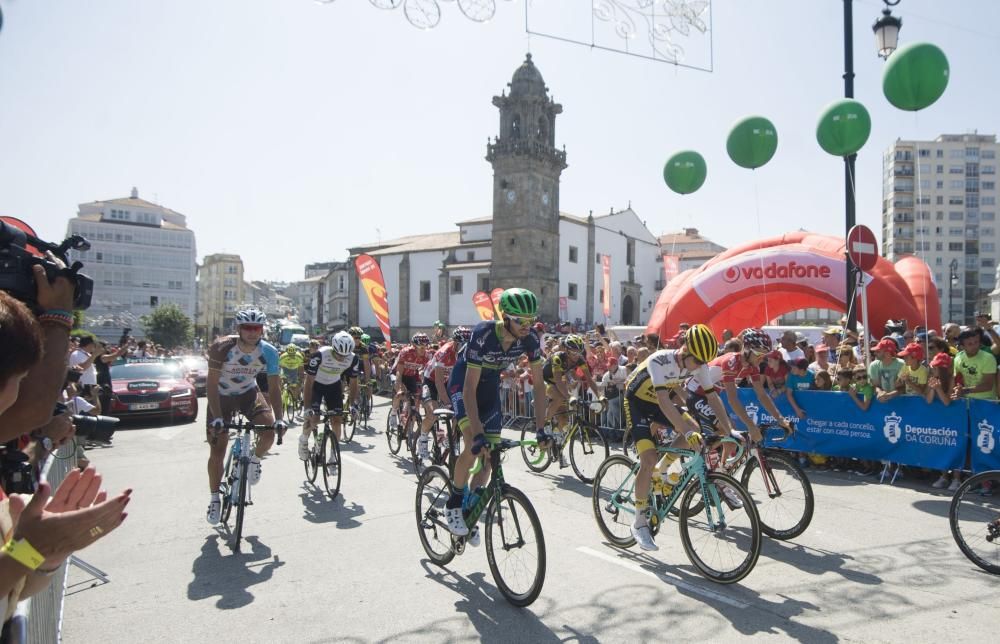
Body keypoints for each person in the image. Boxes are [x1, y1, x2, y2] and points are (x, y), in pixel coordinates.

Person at [445, 288, 547, 543]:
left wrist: (542, 429)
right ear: (505, 317)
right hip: (464, 382)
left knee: (491, 457)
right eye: (521, 321)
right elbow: (469, 387)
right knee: (473, 444)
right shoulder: (484, 333)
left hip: (489, 386)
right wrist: (477, 432)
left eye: (531, 320)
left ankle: (471, 506)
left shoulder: (530, 339)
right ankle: (454, 502)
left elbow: (539, 386)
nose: (527, 326)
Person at [622, 324, 736, 551]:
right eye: (698, 362)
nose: (701, 367)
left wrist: (729, 430)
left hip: (657, 402)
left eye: (705, 362)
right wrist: (686, 432)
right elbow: (665, 401)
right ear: (685, 352)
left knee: (694, 428)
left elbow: (713, 399)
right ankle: (639, 522)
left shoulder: (698, 362)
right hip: (637, 403)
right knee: (648, 458)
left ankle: (662, 470)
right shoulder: (660, 360)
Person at [204, 308, 285, 525]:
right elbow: (210, 385)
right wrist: (218, 417)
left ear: (262, 330)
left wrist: (279, 418)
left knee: (268, 433)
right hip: (220, 396)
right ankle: (214, 498)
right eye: (247, 328)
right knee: (218, 448)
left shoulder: (268, 351)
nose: (252, 332)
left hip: (248, 393)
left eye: (256, 328)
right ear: (239, 329)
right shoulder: (221, 347)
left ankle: (255, 461)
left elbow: (275, 389)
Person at [712, 328, 793, 444]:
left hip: (713, 396)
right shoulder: (731, 362)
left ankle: (716, 461)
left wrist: (780, 419)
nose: (762, 359)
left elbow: (762, 395)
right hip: (698, 392)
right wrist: (751, 426)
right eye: (759, 354)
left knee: (731, 441)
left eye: (764, 356)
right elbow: (732, 399)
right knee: (728, 431)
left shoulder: (753, 367)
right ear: (746, 349)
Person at [541, 334, 603, 466]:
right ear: (567, 350)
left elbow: (590, 379)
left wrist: (600, 396)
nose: (576, 355)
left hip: (559, 381)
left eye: (579, 352)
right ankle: (545, 424)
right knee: (559, 397)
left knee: (564, 422)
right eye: (573, 352)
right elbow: (557, 381)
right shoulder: (558, 357)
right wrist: (570, 397)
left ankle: (557, 449)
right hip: (546, 380)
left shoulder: (580, 359)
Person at [414, 326, 471, 462]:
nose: (465, 348)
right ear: (455, 342)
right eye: (462, 345)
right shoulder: (444, 352)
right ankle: (422, 439)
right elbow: (439, 382)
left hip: (449, 381)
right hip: (431, 380)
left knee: (461, 412)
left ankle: (449, 439)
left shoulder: (468, 352)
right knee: (432, 413)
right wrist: (447, 403)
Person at [299, 331, 358, 458]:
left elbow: (353, 382)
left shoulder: (353, 359)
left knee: (337, 420)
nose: (341, 358)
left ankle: (333, 454)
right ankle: (303, 440)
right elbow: (308, 382)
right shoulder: (320, 355)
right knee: (313, 419)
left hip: (333, 386)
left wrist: (353, 404)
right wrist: (307, 407)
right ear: (333, 348)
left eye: (345, 355)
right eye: (338, 354)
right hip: (316, 385)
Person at [390, 333, 431, 431]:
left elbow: (426, 372)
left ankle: (409, 420)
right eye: (421, 347)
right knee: (401, 394)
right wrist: (398, 386)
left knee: (416, 396)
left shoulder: (426, 355)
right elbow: (399, 371)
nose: (423, 349)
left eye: (426, 346)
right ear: (414, 346)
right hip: (397, 374)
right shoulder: (406, 352)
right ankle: (393, 413)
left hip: (411, 376)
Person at [951, 328, 998, 401]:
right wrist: (956, 390)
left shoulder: (988, 358)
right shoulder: (958, 357)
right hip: (967, 401)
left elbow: (987, 385)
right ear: (962, 346)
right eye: (970, 344)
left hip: (987, 401)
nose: (975, 346)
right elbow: (953, 378)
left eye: (976, 342)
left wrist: (963, 391)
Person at [68, 336, 105, 415]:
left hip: (90, 390)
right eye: (94, 344)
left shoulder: (86, 354)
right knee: (84, 417)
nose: (94, 347)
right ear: (89, 344)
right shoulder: (76, 354)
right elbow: (82, 368)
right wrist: (94, 355)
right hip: (81, 390)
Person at [869, 338, 905, 402]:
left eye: (878, 351)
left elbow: (903, 387)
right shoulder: (873, 365)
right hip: (881, 401)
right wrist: (880, 392)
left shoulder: (902, 364)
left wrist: (889, 395)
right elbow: (874, 386)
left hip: (900, 402)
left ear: (887, 353)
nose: (874, 353)